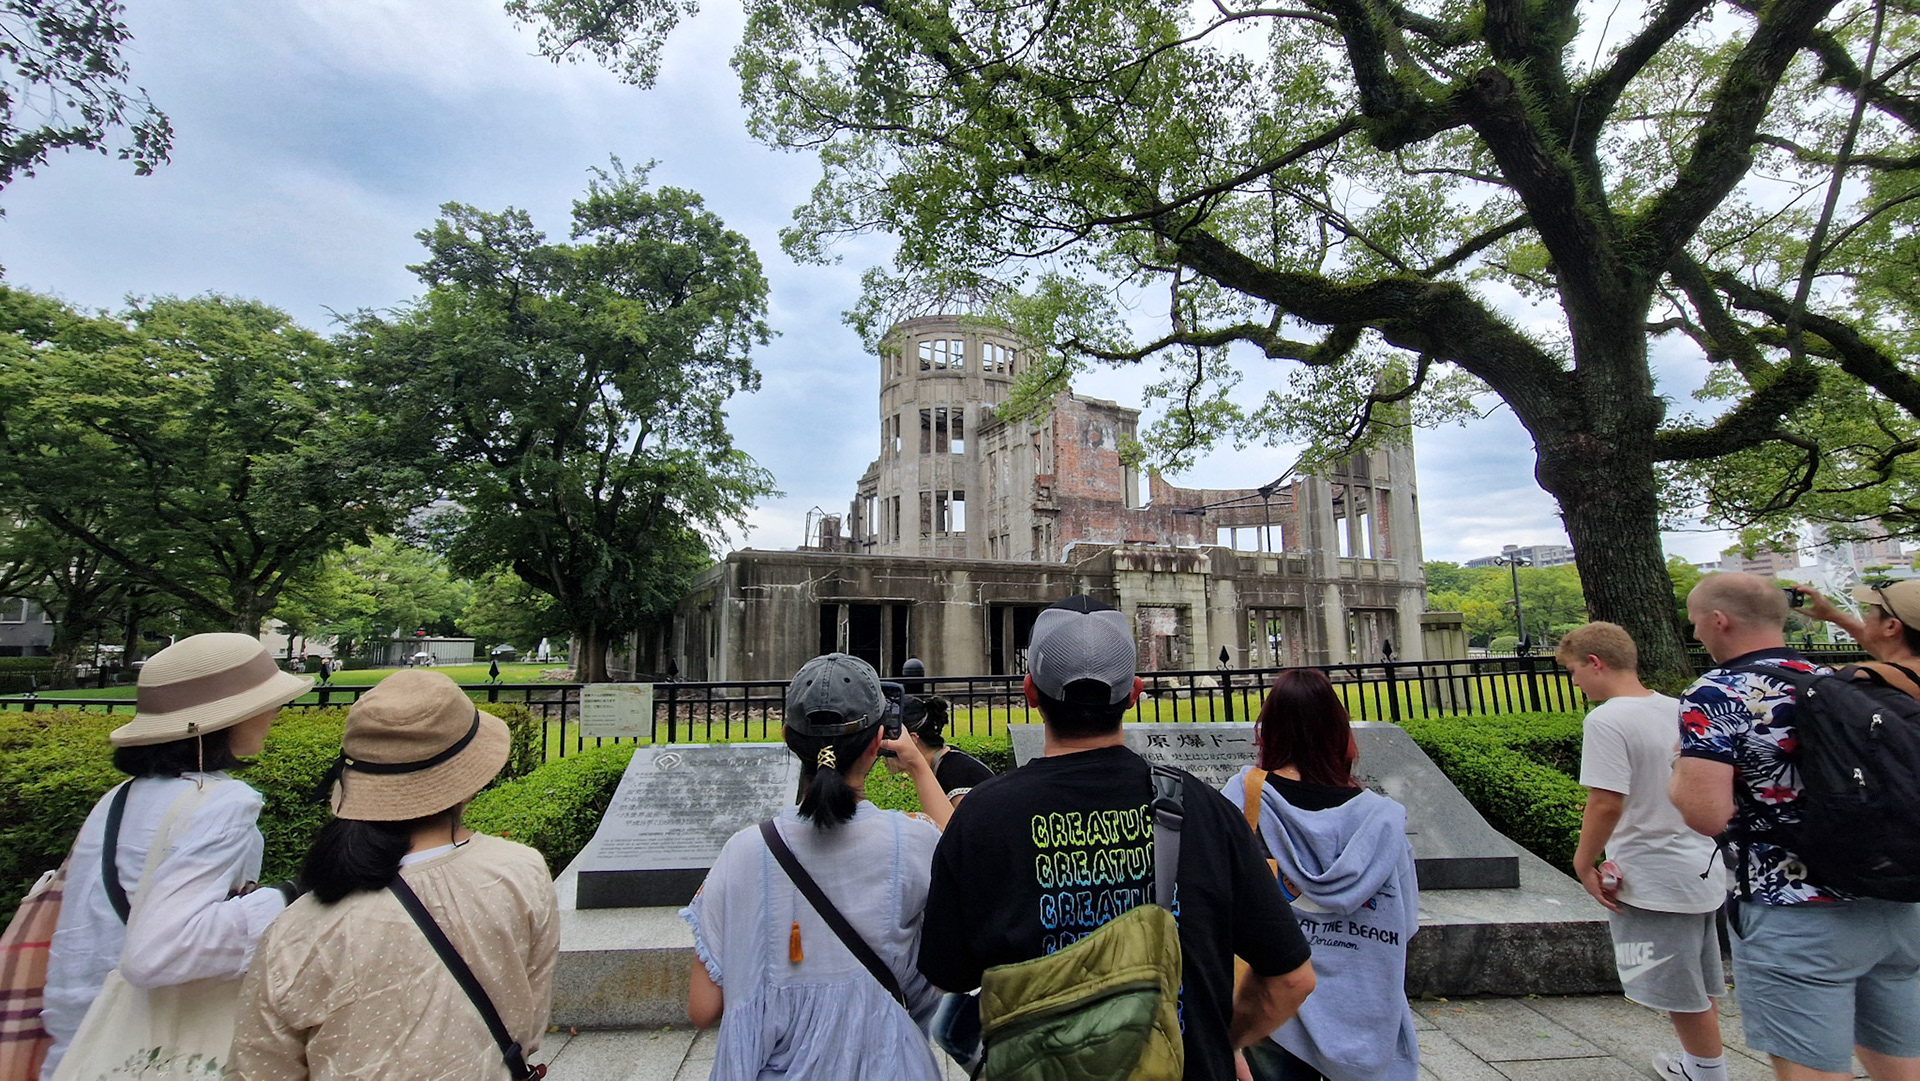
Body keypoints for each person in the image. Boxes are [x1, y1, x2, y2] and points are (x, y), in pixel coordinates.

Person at [918, 595, 1316, 1081]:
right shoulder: (1207, 812)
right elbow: (1292, 978)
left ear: (1030, 692)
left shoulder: (981, 817)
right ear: (1135, 693)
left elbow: (946, 972)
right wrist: (1218, 1040)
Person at [228, 670, 560, 1078]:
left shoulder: (297, 929)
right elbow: (527, 1018)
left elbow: (257, 1067)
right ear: (469, 781)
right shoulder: (518, 871)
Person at [1668, 573, 1920, 1081]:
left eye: (1696, 622)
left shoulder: (1717, 693)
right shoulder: (1845, 679)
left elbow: (1706, 815)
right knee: (1902, 1064)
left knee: (1812, 1070)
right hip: (1891, 896)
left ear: (1719, 621)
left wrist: (1678, 772)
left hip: (1793, 910)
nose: (1696, 634)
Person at [40, 633, 311, 1079]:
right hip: (156, 1051)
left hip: (80, 1045)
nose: (276, 710)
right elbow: (158, 953)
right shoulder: (222, 802)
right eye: (267, 700)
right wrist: (287, 897)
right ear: (225, 717)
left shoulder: (119, 798)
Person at [681, 653, 952, 1081]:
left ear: (788, 737)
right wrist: (918, 763)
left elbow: (703, 1008)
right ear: (877, 740)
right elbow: (962, 857)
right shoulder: (912, 841)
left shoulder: (743, 852)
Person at [1222, 668, 1417, 1081]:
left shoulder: (1244, 798)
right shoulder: (1381, 821)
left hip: (1271, 1008)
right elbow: (1407, 921)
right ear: (1337, 731)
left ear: (1269, 729)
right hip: (1364, 1006)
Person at [1559, 622, 1728, 1081]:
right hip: (1700, 863)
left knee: (1680, 988)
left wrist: (1582, 861)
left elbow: (1606, 800)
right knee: (1698, 979)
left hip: (1653, 869)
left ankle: (1708, 1073)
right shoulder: (1677, 708)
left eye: (1573, 670)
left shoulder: (1608, 719)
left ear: (1595, 663)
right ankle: (1699, 1063)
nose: (1573, 681)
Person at [882, 693, 994, 804]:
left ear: (912, 740)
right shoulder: (945, 763)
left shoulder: (957, 775)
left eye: (887, 742)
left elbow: (953, 822)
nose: (881, 754)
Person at [1790, 581, 1920, 670]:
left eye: (1870, 610)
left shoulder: (1869, 677)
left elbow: (1810, 677)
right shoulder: (1910, 668)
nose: (1864, 617)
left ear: (1891, 627)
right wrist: (1833, 615)